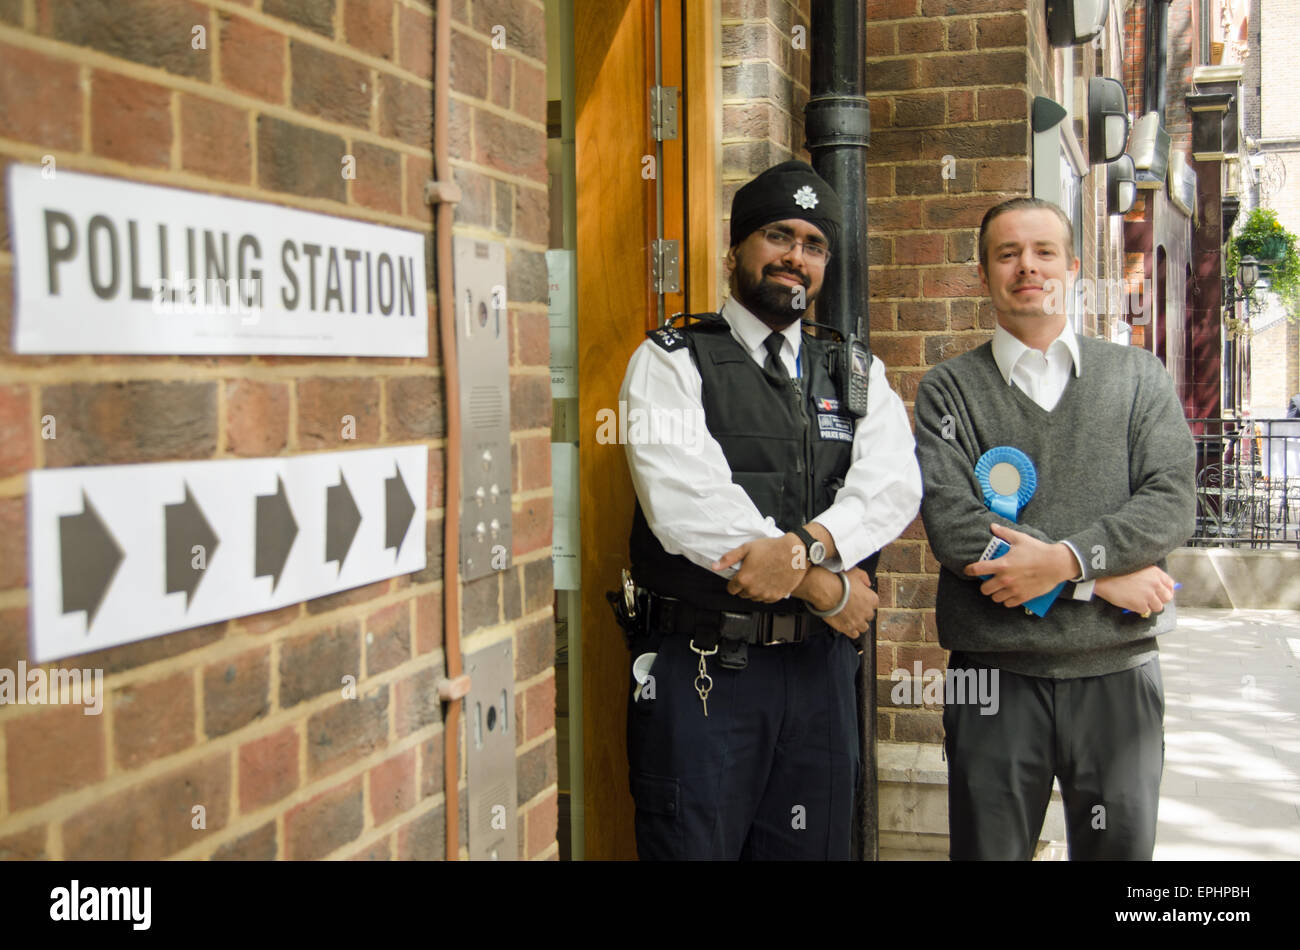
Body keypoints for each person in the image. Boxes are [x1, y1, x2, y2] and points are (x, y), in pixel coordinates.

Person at [617, 160, 921, 860]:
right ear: (736, 252)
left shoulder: (857, 373)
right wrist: (824, 584)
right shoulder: (672, 360)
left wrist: (808, 548)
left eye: (814, 245)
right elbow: (686, 503)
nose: (796, 256)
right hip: (705, 673)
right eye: (778, 236)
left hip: (818, 676)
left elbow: (892, 486)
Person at [914, 196, 1196, 860]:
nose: (1026, 267)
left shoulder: (1137, 378)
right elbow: (956, 530)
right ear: (983, 275)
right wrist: (1097, 582)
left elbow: (1171, 499)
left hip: (1118, 675)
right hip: (991, 679)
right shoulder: (948, 391)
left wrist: (1068, 558)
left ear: (1072, 266)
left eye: (1043, 252)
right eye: (1007, 254)